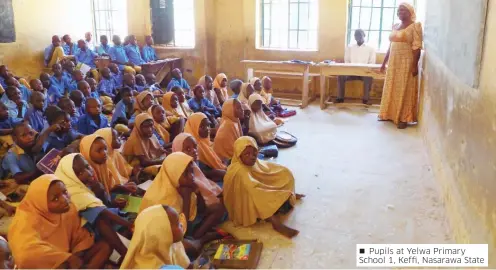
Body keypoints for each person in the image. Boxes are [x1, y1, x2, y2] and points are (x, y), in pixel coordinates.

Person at [8, 175, 112, 269]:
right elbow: (25, 255)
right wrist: (66, 258)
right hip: (48, 264)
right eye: (55, 199)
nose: (65, 200)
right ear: (41, 202)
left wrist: (77, 254)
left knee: (104, 246)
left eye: (65, 192)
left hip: (69, 257)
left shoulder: (68, 209)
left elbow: (79, 235)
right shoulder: (25, 220)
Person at [55, 153, 133, 259]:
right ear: (70, 177)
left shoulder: (83, 185)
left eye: (87, 167)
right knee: (102, 220)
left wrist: (102, 194)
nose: (88, 172)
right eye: (80, 173)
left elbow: (102, 204)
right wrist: (130, 225)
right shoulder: (71, 192)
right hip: (85, 233)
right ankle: (126, 254)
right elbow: (101, 212)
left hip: (96, 222)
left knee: (113, 220)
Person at [223, 136, 304, 238]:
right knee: (258, 196)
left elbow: (265, 170)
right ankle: (274, 222)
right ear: (239, 155)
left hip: (256, 189)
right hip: (246, 201)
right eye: (247, 154)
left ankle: (288, 192)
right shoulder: (239, 170)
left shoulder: (252, 162)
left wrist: (277, 186)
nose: (252, 157)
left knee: (284, 173)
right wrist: (274, 192)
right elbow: (255, 189)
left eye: (254, 153)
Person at [139, 152, 225, 240]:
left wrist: (197, 192)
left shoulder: (183, 185)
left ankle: (197, 236)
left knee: (218, 208)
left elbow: (201, 209)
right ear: (174, 174)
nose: (191, 176)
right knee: (189, 246)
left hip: (186, 220)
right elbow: (180, 232)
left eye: (192, 171)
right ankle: (198, 239)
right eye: (185, 173)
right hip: (171, 234)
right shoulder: (161, 199)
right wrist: (186, 198)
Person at [379, 3, 423, 129]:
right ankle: (389, 114)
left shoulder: (415, 26)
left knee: (405, 88)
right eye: (399, 10)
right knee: (392, 85)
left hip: (406, 62)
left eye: (403, 10)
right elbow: (390, 46)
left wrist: (414, 65)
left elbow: (417, 47)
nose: (400, 12)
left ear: (410, 12)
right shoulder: (395, 26)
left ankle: (404, 117)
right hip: (393, 62)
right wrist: (384, 63)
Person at [120, 205, 190, 269]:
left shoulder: (174, 245)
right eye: (177, 223)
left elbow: (187, 265)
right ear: (164, 234)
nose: (181, 224)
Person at [172, 133, 223, 210]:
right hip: (193, 201)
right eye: (188, 149)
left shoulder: (192, 162)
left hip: (199, 193)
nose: (194, 151)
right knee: (221, 207)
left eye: (195, 146)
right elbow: (195, 190)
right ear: (178, 150)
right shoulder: (179, 172)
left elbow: (201, 179)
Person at [335, 29, 377, 104]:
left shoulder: (370, 48)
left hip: (364, 72)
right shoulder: (350, 47)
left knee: (369, 77)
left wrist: (363, 70)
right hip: (351, 72)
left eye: (360, 35)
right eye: (356, 35)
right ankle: (340, 98)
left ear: (364, 35)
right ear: (354, 37)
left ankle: (365, 99)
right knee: (340, 76)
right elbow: (346, 60)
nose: (358, 37)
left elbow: (372, 62)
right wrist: (351, 69)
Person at [184, 113, 226, 180]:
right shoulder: (194, 147)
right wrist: (215, 172)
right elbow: (198, 171)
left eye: (208, 125)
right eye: (202, 127)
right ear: (193, 127)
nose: (207, 129)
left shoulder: (204, 142)